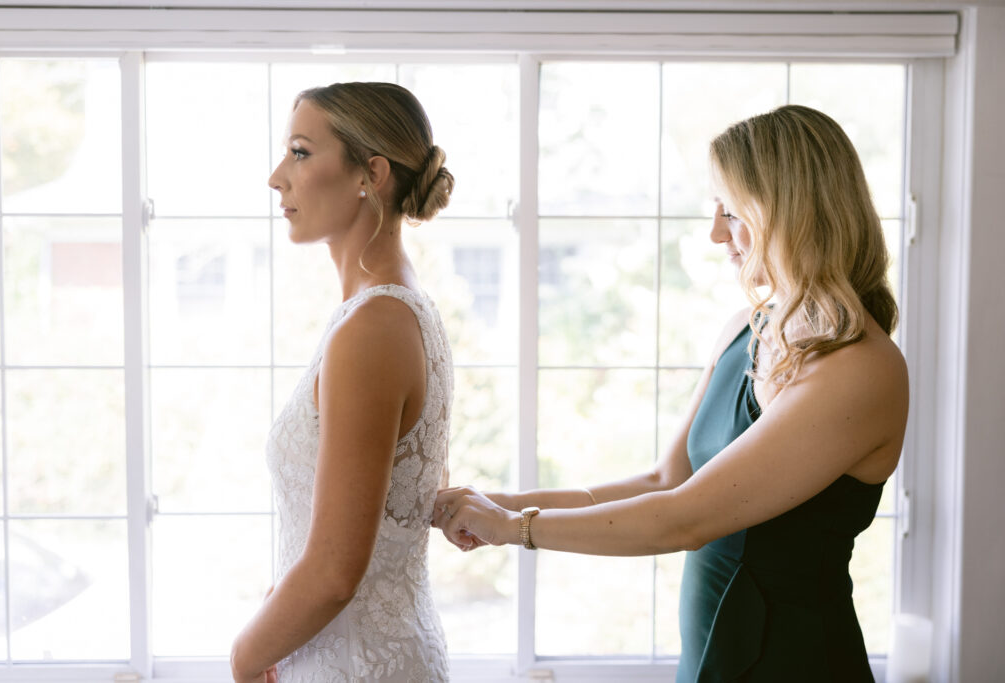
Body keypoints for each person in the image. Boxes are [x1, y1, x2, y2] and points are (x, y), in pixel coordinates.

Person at [433, 104, 908, 682]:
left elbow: (683, 519)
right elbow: (665, 481)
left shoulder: (861, 369)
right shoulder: (745, 328)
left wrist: (514, 529)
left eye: (731, 212)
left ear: (791, 215)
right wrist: (501, 503)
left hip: (795, 662)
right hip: (710, 656)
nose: (714, 233)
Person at [230, 82, 455, 683]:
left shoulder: (375, 325)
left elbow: (334, 571)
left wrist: (244, 659)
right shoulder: (395, 310)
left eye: (300, 152)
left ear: (371, 174)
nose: (277, 177)